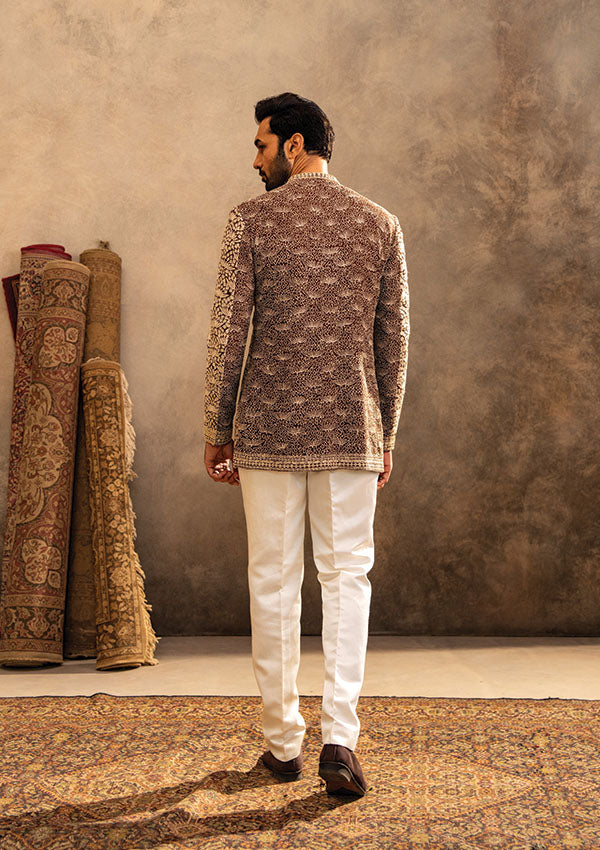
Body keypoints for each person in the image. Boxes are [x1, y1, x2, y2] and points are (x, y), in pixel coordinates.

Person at [203, 92, 410, 797]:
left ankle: (283, 743)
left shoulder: (250, 221)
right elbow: (393, 341)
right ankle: (340, 741)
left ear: (294, 146)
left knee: (273, 579)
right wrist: (386, 432)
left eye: (261, 145)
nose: (255, 160)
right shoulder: (379, 223)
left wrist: (216, 428)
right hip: (352, 428)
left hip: (266, 431)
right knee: (347, 578)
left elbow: (228, 335)